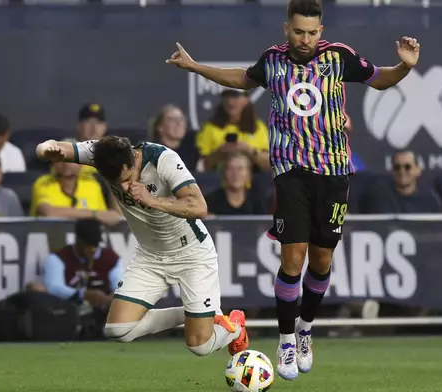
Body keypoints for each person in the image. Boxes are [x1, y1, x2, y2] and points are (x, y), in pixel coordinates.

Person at [166, 0, 420, 380]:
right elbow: (241, 78)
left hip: (334, 172)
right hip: (290, 171)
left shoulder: (340, 57)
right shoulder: (273, 61)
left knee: (321, 262)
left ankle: (304, 328)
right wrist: (195, 66)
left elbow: (380, 79)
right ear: (287, 28)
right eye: (299, 31)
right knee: (292, 260)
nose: (305, 39)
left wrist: (404, 66)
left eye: (312, 32)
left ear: (321, 29)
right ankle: (286, 338)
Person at [34, 136, 248, 359]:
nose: (124, 188)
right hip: (151, 256)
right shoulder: (100, 153)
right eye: (117, 185)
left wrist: (153, 200)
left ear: (133, 161)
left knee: (199, 346)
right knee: (117, 330)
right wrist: (47, 147)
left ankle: (234, 326)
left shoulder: (163, 160)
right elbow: (52, 149)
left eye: (127, 179)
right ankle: (197, 315)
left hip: (192, 255)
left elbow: (199, 207)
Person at [197, 90, 271, 172]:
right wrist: (219, 153)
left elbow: (269, 165)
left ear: (246, 99)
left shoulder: (258, 127)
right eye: (226, 96)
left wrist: (249, 151)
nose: (230, 101)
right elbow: (200, 166)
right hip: (218, 178)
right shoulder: (210, 127)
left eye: (235, 96)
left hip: (253, 178)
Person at [205, 151, 268, 215]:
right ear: (224, 173)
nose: (235, 174)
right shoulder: (212, 200)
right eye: (230, 169)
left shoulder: (257, 199)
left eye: (240, 169)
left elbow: (263, 224)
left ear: (248, 174)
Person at [149, 104, 200, 172]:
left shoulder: (192, 150)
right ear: (160, 127)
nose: (179, 123)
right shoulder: (151, 152)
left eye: (181, 119)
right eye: (172, 119)